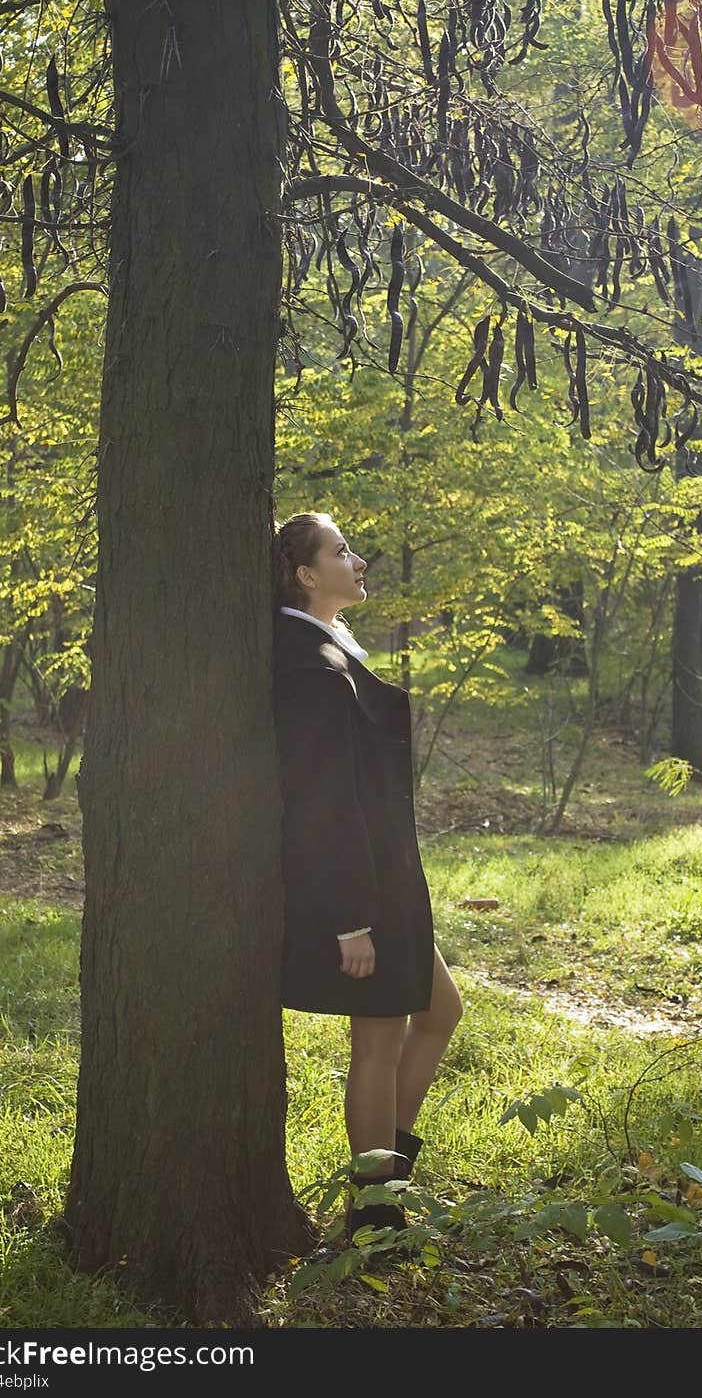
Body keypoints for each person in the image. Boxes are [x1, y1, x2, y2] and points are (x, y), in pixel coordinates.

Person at [271, 511, 463, 1243]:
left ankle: (388, 1177)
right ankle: (376, 1215)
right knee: (377, 1043)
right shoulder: (305, 659)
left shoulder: (331, 641)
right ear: (306, 574)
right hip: (362, 887)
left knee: (441, 1011)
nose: (358, 560)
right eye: (341, 550)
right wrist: (350, 918)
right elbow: (323, 797)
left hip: (390, 876)